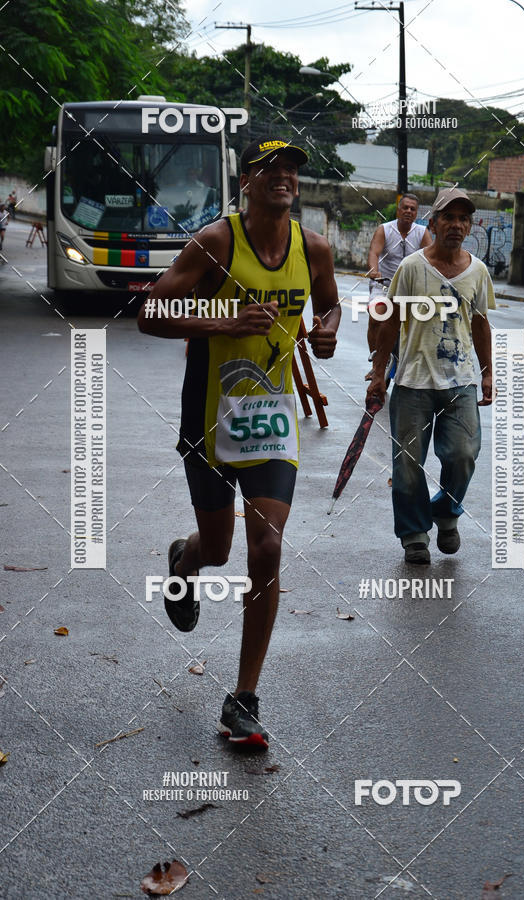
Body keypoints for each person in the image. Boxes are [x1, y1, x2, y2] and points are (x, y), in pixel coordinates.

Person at [138, 138, 340, 748]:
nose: (283, 176)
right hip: (209, 415)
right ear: (246, 180)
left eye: (292, 169)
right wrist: (223, 322)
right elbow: (150, 314)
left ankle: (243, 698)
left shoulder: (315, 248)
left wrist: (326, 333)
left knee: (268, 547)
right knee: (222, 550)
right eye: (269, 168)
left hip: (273, 419)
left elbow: (329, 309)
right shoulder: (216, 243)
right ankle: (184, 559)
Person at [366, 187, 494, 565]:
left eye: (463, 219)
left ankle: (445, 511)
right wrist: (378, 372)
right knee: (407, 464)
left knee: (463, 454)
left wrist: (487, 374)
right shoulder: (410, 268)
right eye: (448, 218)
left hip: (461, 381)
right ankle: (414, 534)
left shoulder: (478, 271)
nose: (456, 225)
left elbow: (482, 323)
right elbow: (390, 320)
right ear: (433, 223)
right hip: (412, 380)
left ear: (469, 226)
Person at [365, 193, 432, 377]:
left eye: (413, 209)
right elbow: (374, 253)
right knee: (375, 317)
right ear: (398, 209)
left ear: (417, 213)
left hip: (411, 289)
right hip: (384, 286)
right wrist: (373, 271)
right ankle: (376, 361)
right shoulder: (384, 230)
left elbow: (431, 259)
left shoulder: (422, 233)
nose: (409, 211)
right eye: (406, 207)